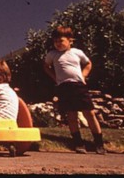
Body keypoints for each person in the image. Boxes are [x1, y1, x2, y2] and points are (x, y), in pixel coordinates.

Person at [44, 25, 106, 155]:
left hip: (78, 86)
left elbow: (88, 63)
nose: (58, 44)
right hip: (64, 87)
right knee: (71, 116)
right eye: (55, 41)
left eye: (61, 41)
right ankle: (78, 143)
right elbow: (46, 67)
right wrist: (55, 78)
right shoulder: (52, 54)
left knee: (90, 114)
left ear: (70, 40)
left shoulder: (77, 52)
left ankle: (99, 143)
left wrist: (83, 75)